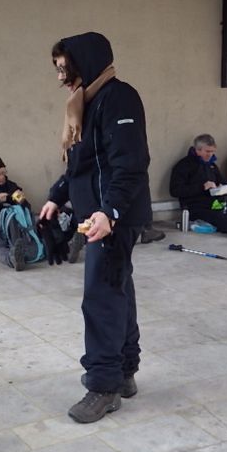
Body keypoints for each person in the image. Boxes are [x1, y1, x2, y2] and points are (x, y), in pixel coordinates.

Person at [39, 31, 151, 424]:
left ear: (85, 62)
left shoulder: (118, 98)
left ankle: (103, 386)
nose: (60, 77)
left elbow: (131, 163)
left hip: (111, 220)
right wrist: (57, 195)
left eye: (63, 68)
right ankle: (123, 372)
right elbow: (81, 164)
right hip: (98, 217)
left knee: (101, 297)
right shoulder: (86, 103)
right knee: (118, 289)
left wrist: (111, 212)